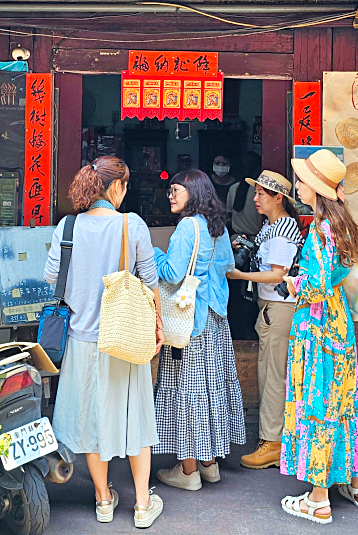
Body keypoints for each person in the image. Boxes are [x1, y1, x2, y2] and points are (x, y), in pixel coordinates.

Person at [44, 156, 166, 528]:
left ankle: (103, 499)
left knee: (92, 422)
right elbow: (150, 279)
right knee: (135, 418)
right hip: (125, 338)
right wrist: (158, 324)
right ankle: (143, 504)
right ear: (116, 187)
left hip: (81, 342)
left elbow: (52, 278)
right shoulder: (132, 224)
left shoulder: (67, 226)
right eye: (124, 187)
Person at [280, 148, 358, 522]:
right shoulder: (344, 226)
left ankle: (318, 498)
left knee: (318, 405)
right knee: (344, 402)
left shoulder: (320, 231)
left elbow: (315, 286)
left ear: (315, 188)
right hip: (340, 325)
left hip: (317, 330)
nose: (298, 185)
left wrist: (293, 284)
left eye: (301, 180)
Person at [151, 168, 246, 490]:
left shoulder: (186, 227)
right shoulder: (215, 226)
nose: (171, 196)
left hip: (188, 322)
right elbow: (229, 267)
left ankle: (188, 471)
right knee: (210, 390)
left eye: (176, 189)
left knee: (187, 392)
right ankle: (209, 464)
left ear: (194, 191)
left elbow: (174, 273)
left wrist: (152, 252)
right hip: (216, 320)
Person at [225, 170, 303, 470]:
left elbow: (278, 274)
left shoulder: (282, 231)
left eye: (261, 194)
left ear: (277, 198)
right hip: (271, 307)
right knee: (268, 373)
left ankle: (272, 443)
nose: (255, 199)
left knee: (273, 377)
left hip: (279, 307)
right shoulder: (272, 226)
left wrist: (240, 274)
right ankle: (272, 439)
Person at [225, 151, 264, 339]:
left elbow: (228, 216)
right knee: (254, 291)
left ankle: (237, 331)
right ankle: (250, 332)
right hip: (256, 243)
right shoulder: (261, 192)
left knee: (236, 292)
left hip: (236, 243)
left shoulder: (234, 188)